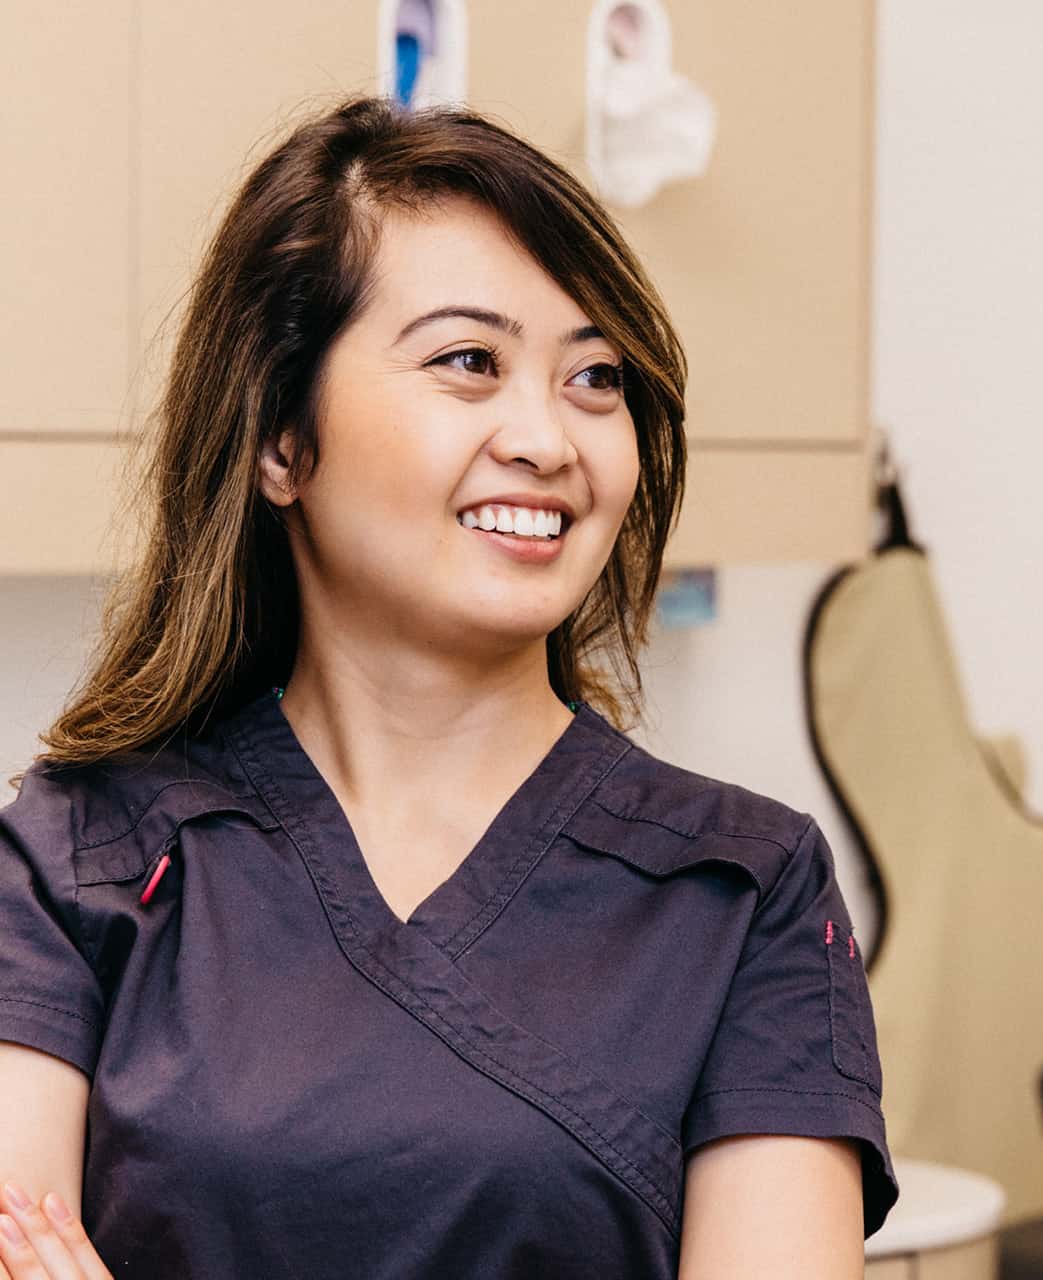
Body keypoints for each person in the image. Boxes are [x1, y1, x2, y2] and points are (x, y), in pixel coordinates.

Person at [0, 96, 895, 1278]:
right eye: (469, 362)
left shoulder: (743, 891)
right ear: (282, 439)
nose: (547, 436)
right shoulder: (79, 857)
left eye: (596, 378)